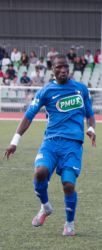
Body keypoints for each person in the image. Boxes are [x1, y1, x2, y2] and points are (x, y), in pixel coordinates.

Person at [4, 55, 96, 237]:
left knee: (68, 185)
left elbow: (90, 114)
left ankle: (69, 223)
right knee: (40, 172)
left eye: (65, 67)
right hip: (51, 143)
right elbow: (29, 116)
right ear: (52, 70)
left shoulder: (81, 90)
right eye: (59, 67)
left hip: (73, 146)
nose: (63, 70)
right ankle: (45, 207)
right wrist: (15, 141)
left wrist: (92, 128)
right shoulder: (46, 92)